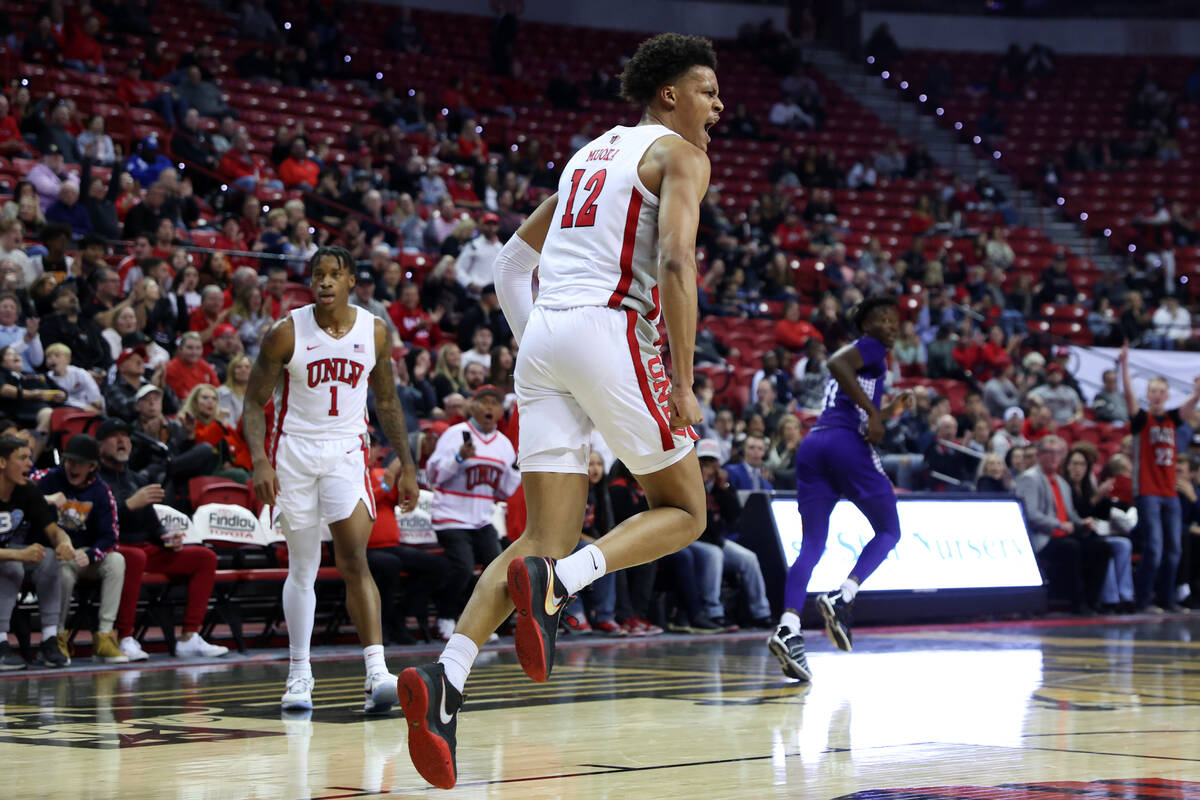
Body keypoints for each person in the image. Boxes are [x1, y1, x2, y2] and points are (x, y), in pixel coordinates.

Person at [398, 33, 720, 789]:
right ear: (668, 95)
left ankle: (447, 679)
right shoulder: (679, 154)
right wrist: (681, 375)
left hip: (542, 339)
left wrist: (545, 351)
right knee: (686, 509)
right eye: (707, 89)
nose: (719, 104)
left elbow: (511, 264)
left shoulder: (588, 155)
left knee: (538, 538)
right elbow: (676, 263)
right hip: (608, 325)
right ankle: (563, 583)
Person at [244, 246, 419, 714]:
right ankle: (300, 675)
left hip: (346, 450)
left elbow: (386, 401)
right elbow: (252, 402)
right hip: (294, 452)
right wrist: (260, 461)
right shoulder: (285, 333)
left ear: (351, 282)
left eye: (333, 275)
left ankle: (377, 672)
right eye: (317, 274)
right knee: (302, 566)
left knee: (354, 559)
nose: (323, 282)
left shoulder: (374, 331)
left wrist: (408, 463)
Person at [768, 296, 912, 683]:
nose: (890, 325)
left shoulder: (865, 366)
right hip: (844, 445)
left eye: (894, 319)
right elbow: (837, 365)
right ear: (865, 325)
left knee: (812, 546)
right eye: (882, 318)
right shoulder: (871, 349)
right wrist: (873, 412)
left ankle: (788, 627)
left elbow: (860, 410)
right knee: (889, 531)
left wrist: (888, 412)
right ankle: (843, 596)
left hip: (815, 444)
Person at [95, 418, 227, 661]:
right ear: (100, 444)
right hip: (113, 548)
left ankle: (189, 637)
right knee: (134, 557)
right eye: (115, 437)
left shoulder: (137, 479)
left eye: (125, 436)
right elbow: (98, 524)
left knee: (204, 557)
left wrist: (166, 538)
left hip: (145, 549)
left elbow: (151, 523)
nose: (122, 441)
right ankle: (124, 637)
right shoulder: (95, 479)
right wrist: (129, 505)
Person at [426, 384, 521, 639]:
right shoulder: (456, 434)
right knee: (463, 568)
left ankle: (476, 623)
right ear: (472, 405)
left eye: (495, 403)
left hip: (481, 518)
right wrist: (458, 459)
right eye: (485, 401)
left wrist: (516, 469)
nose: (490, 407)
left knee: (497, 569)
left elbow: (503, 491)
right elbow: (433, 475)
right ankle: (445, 617)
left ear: (501, 411)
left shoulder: (503, 444)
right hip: (451, 517)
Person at [34, 435, 129, 664]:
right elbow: (23, 489)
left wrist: (90, 554)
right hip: (56, 552)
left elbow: (111, 536)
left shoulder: (101, 490)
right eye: (68, 461)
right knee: (63, 572)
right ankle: (56, 636)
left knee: (117, 561)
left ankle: (105, 636)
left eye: (78, 463)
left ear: (92, 466)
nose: (72, 467)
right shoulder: (49, 478)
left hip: (85, 555)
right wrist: (45, 498)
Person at [1119, 345, 1200, 611]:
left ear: (1166, 395)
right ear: (1148, 394)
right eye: (1152, 391)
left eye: (1160, 391)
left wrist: (1197, 390)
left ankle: (1166, 599)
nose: (1156, 395)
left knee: (1174, 550)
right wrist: (1124, 366)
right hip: (1148, 490)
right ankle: (1142, 600)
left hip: (1169, 492)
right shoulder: (1142, 419)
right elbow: (1129, 396)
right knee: (1154, 547)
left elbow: (1190, 405)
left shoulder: (1172, 419)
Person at [0, 434, 76, 670]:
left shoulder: (28, 491)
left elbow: (53, 530)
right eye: (22, 458)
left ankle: (49, 638)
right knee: (11, 564)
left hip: (9, 552)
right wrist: (18, 555)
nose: (29, 464)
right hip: (7, 558)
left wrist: (65, 543)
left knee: (50, 557)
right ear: (2, 463)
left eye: (30, 458)